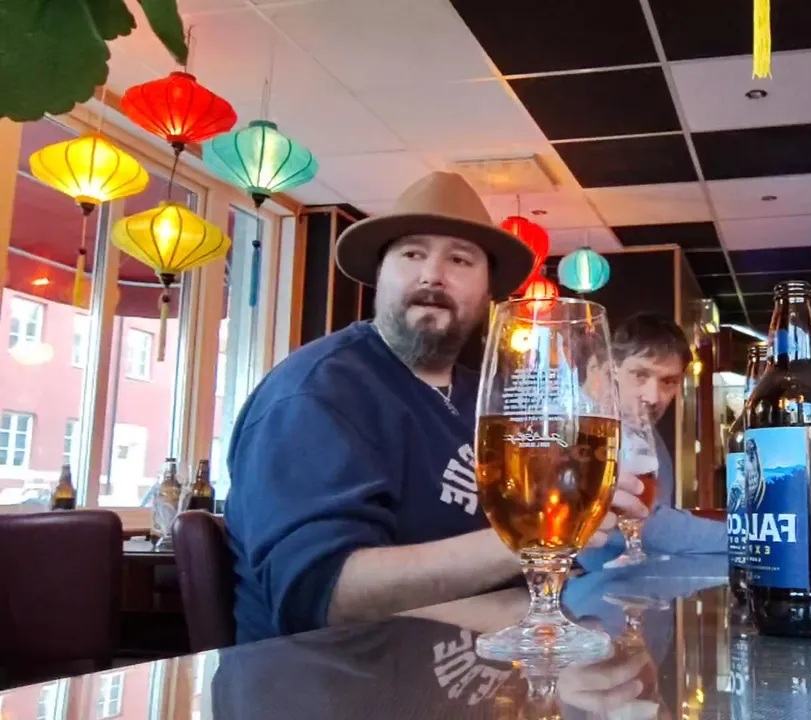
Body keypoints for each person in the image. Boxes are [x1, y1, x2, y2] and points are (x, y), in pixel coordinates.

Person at [223, 172, 645, 643]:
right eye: (411, 254)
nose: (432, 275)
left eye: (460, 259)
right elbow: (322, 596)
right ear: (380, 275)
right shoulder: (316, 393)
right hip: (325, 678)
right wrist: (538, 538)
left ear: (488, 293)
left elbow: (517, 571)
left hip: (488, 669)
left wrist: (580, 526)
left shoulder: (488, 401)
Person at [577, 313, 727, 569]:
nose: (653, 396)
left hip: (621, 581)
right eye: (639, 375)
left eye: (668, 381)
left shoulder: (643, 433)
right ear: (602, 370)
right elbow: (652, 525)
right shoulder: (576, 431)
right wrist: (753, 537)